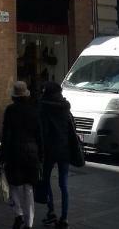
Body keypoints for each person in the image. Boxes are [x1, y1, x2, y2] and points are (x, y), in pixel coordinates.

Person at [0, 80, 44, 229]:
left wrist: (2, 156)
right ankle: (29, 223)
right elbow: (39, 136)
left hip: (14, 153)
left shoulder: (10, 111)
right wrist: (41, 155)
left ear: (14, 96)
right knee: (29, 188)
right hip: (31, 154)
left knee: (13, 185)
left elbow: (6, 136)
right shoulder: (34, 110)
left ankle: (18, 213)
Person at [39, 81, 74, 228]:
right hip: (65, 150)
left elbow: (42, 131)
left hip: (49, 151)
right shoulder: (66, 107)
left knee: (46, 181)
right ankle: (64, 218)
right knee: (63, 184)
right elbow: (72, 126)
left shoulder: (43, 108)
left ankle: (51, 211)